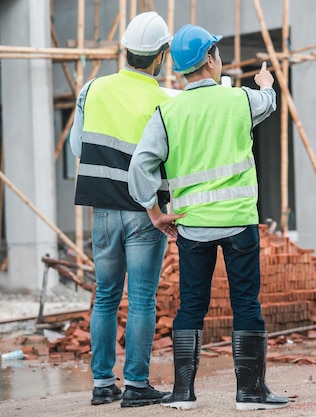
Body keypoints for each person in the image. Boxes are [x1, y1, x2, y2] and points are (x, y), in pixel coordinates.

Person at [128, 24, 289, 411]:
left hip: (192, 225)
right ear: (211, 59)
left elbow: (141, 166)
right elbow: (267, 102)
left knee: (191, 306)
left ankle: (183, 393)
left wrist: (155, 211)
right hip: (238, 222)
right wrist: (265, 82)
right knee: (246, 304)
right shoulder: (238, 100)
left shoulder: (168, 111)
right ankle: (250, 393)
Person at [69, 11, 183, 408]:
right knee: (141, 299)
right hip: (144, 211)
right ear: (161, 55)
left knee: (104, 296)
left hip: (102, 210)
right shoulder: (166, 98)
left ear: (127, 51)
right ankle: (136, 385)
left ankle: (103, 384)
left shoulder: (92, 89)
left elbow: (77, 149)